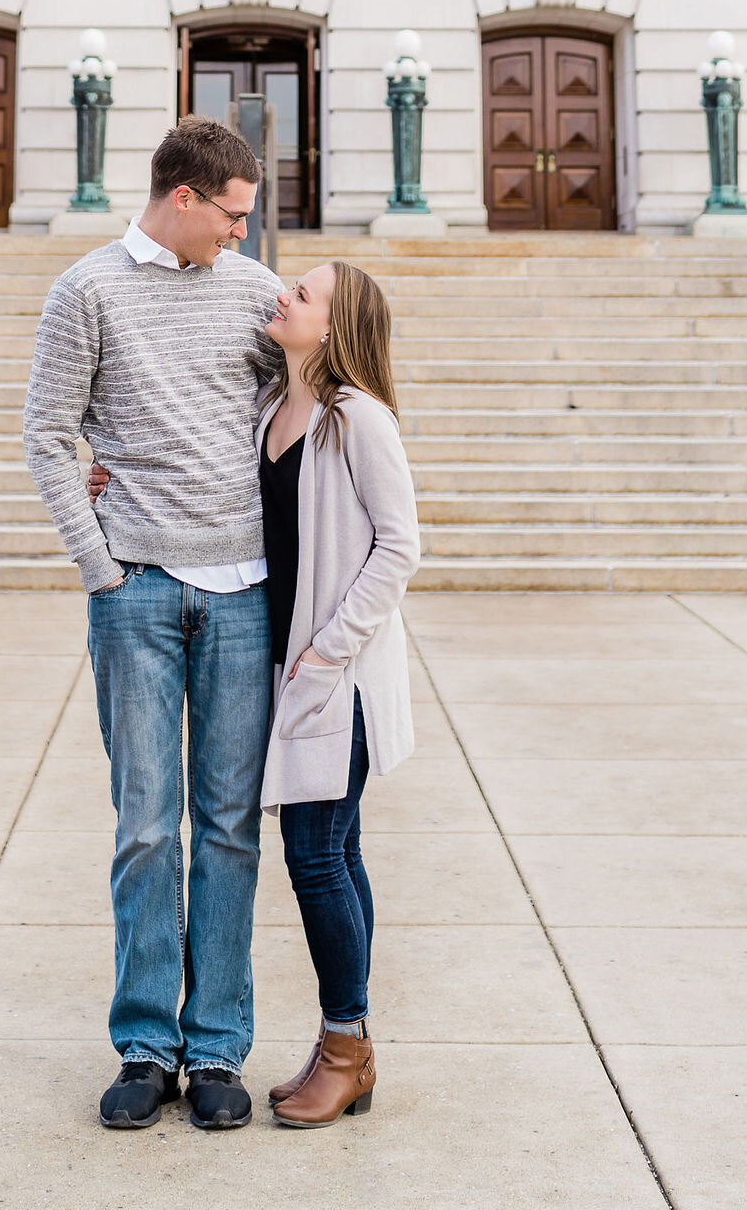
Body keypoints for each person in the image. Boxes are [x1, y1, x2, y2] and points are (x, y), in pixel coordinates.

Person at [22, 116, 282, 1133]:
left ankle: (215, 1047)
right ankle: (144, 1044)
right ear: (184, 200)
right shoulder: (85, 291)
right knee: (143, 830)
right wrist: (99, 568)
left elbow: (296, 418)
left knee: (225, 830)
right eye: (231, 216)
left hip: (243, 594)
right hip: (134, 590)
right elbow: (48, 437)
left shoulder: (258, 296)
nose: (242, 236)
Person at [257, 260, 420, 1128]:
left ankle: (347, 1048)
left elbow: (399, 546)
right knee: (334, 849)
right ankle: (339, 1049)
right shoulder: (276, 411)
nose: (284, 294)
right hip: (290, 667)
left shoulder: (358, 418)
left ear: (335, 327)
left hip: (337, 678)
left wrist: (328, 651)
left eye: (304, 294)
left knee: (316, 855)